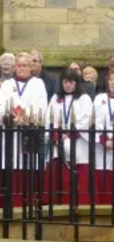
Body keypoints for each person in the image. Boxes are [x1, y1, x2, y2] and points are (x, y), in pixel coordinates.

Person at [0, 52, 48, 207]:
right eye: (18, 65)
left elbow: (42, 107)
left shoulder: (38, 84)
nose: (21, 68)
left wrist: (25, 117)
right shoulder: (6, 84)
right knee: (9, 166)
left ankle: (28, 202)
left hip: (29, 134)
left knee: (28, 167)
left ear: (31, 67)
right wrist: (9, 115)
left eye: (25, 65)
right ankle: (8, 203)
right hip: (10, 134)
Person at [44, 68, 94, 205]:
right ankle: (57, 204)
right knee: (58, 174)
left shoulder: (84, 99)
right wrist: (56, 134)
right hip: (59, 144)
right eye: (65, 82)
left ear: (76, 83)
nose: (68, 85)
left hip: (78, 144)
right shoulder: (56, 98)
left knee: (78, 176)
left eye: (71, 82)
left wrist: (71, 134)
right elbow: (49, 118)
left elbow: (87, 119)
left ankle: (80, 204)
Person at [93, 70, 114, 204]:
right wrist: (104, 140)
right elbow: (95, 121)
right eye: (112, 79)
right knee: (102, 175)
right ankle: (104, 206)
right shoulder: (99, 98)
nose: (113, 83)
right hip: (102, 145)